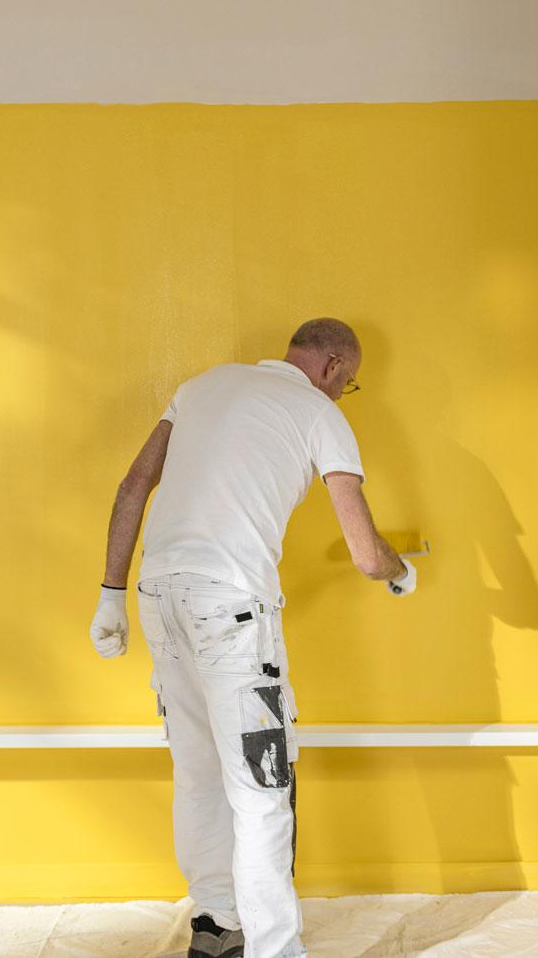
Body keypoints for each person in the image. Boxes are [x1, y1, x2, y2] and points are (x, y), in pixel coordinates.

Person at [89, 317, 418, 958]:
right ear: (331, 366)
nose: (340, 392)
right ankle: (275, 950)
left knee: (198, 774)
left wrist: (109, 596)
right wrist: (403, 573)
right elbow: (367, 556)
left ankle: (215, 927)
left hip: (158, 596)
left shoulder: (202, 386)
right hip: (232, 610)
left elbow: (134, 486)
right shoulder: (320, 414)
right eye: (346, 383)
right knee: (263, 789)